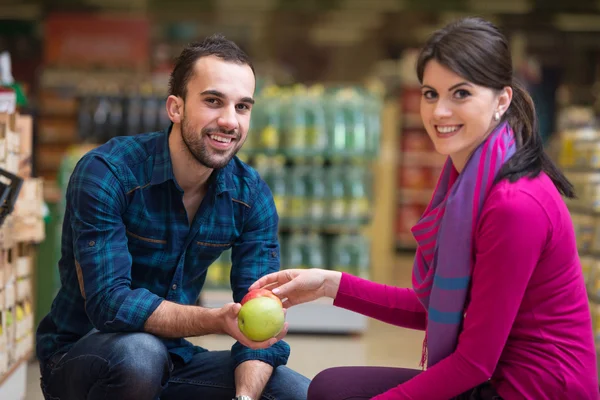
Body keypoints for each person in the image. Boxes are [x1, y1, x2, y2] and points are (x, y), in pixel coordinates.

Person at [250, 17, 599, 400]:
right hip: (499, 372)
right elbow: (438, 306)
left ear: (502, 100)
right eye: (430, 93)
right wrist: (328, 284)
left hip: (535, 388)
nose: (439, 112)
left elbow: (474, 363)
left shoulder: (514, 205)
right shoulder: (470, 178)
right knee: (330, 386)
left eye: (461, 94)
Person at [35, 34, 310, 400]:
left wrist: (244, 397)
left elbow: (262, 323)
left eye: (242, 107)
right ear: (175, 108)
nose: (230, 121)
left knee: (292, 390)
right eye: (213, 101)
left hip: (173, 357)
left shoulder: (250, 196)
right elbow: (109, 303)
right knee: (139, 355)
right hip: (83, 357)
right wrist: (215, 320)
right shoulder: (108, 172)